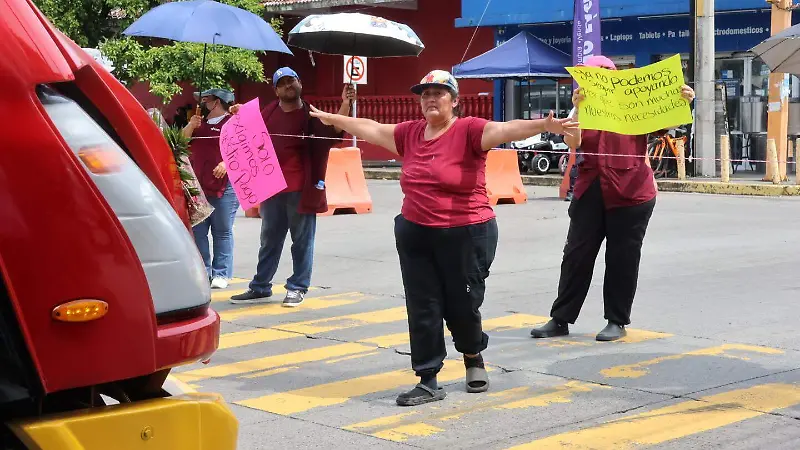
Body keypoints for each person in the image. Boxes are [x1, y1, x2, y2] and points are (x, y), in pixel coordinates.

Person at [308, 70, 580, 406]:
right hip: (416, 232)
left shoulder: (469, 130)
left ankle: (473, 357)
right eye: (425, 94)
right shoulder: (410, 133)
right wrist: (335, 116)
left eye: (439, 93)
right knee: (423, 305)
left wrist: (543, 126)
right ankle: (427, 378)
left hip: (467, 234)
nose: (431, 99)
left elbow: (505, 129)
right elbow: (374, 130)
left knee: (463, 302)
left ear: (455, 101)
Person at [530, 55, 695, 342]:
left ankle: (616, 320)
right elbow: (574, 142)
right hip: (591, 187)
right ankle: (560, 318)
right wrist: (578, 111)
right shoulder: (581, 105)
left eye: (592, 76)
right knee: (576, 255)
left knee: (622, 257)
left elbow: (667, 121)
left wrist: (684, 100)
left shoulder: (635, 101)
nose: (586, 82)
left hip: (632, 190)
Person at [231, 67, 356, 307]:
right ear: (276, 90)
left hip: (301, 189)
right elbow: (247, 133)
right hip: (271, 189)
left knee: (301, 241)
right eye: (283, 83)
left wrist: (345, 103)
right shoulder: (268, 113)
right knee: (269, 239)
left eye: (292, 80)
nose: (288, 85)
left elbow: (335, 130)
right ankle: (260, 286)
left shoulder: (312, 115)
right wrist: (239, 113)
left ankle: (297, 287)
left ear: (299, 83)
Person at [184, 88, 239, 289]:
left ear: (217, 102)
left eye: (207, 100)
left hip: (225, 186)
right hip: (199, 185)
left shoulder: (232, 124)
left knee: (222, 230)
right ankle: (203, 271)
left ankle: (221, 273)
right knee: (198, 231)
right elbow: (180, 142)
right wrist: (191, 125)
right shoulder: (200, 124)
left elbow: (244, 149)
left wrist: (226, 163)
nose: (204, 104)